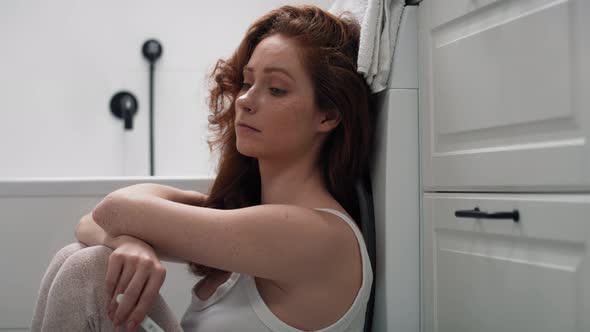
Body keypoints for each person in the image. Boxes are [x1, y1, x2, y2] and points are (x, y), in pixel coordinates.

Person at [31, 4, 375, 331]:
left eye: (276, 89)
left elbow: (113, 209)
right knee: (77, 257)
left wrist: (126, 238)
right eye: (246, 82)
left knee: (88, 268)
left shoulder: (317, 235)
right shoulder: (248, 214)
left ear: (328, 115)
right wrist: (128, 244)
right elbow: (91, 221)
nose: (244, 100)